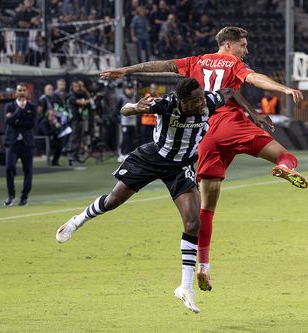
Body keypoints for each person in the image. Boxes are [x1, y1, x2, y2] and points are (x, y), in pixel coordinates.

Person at [100, 26, 307, 292]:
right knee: (285, 155)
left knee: (206, 210)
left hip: (205, 135)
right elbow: (255, 79)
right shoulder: (234, 63)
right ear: (230, 45)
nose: (246, 50)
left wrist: (126, 70)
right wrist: (284, 89)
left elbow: (162, 65)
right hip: (231, 124)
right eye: (243, 45)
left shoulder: (195, 61)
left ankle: (204, 267)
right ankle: (283, 168)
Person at [55, 78, 271, 313]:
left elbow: (229, 91)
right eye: (196, 100)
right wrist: (135, 107)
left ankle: (185, 288)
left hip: (180, 166)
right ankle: (79, 220)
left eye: (202, 97)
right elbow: (125, 110)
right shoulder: (166, 104)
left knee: (192, 222)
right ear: (183, 102)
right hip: (152, 158)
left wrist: (254, 114)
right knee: (113, 200)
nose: (202, 103)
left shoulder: (209, 100)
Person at [3, 83, 37, 207]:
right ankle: (11, 195)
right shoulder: (10, 106)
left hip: (27, 143)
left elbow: (31, 124)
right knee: (9, 168)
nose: (22, 92)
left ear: (27, 93)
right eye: (19, 90)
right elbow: (8, 121)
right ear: (16, 92)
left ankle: (24, 197)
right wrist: (20, 111)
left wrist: (16, 121)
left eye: (24, 90)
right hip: (12, 142)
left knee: (28, 171)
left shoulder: (32, 107)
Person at [117, 83, 137, 161]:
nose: (130, 90)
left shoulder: (134, 97)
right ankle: (122, 153)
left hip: (132, 122)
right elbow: (117, 108)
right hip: (125, 121)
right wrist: (119, 118)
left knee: (131, 138)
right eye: (128, 89)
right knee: (125, 138)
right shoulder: (122, 98)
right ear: (125, 90)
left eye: (131, 88)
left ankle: (127, 153)